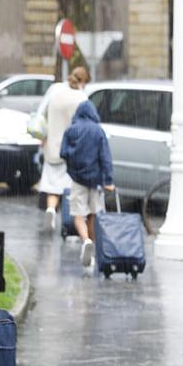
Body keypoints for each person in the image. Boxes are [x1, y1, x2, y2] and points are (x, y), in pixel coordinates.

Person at [60, 99, 115, 268]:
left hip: (78, 179)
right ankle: (93, 248)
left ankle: (85, 241)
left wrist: (74, 161)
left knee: (77, 214)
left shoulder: (71, 130)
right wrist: (109, 180)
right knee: (93, 213)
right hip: (96, 180)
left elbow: (63, 152)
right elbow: (105, 158)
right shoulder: (98, 131)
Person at [35, 66, 91, 230]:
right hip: (72, 149)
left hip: (52, 146)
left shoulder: (54, 89)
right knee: (69, 188)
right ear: (83, 81)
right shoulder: (81, 97)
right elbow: (85, 124)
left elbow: (40, 114)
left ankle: (51, 209)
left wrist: (43, 136)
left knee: (52, 185)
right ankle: (70, 223)